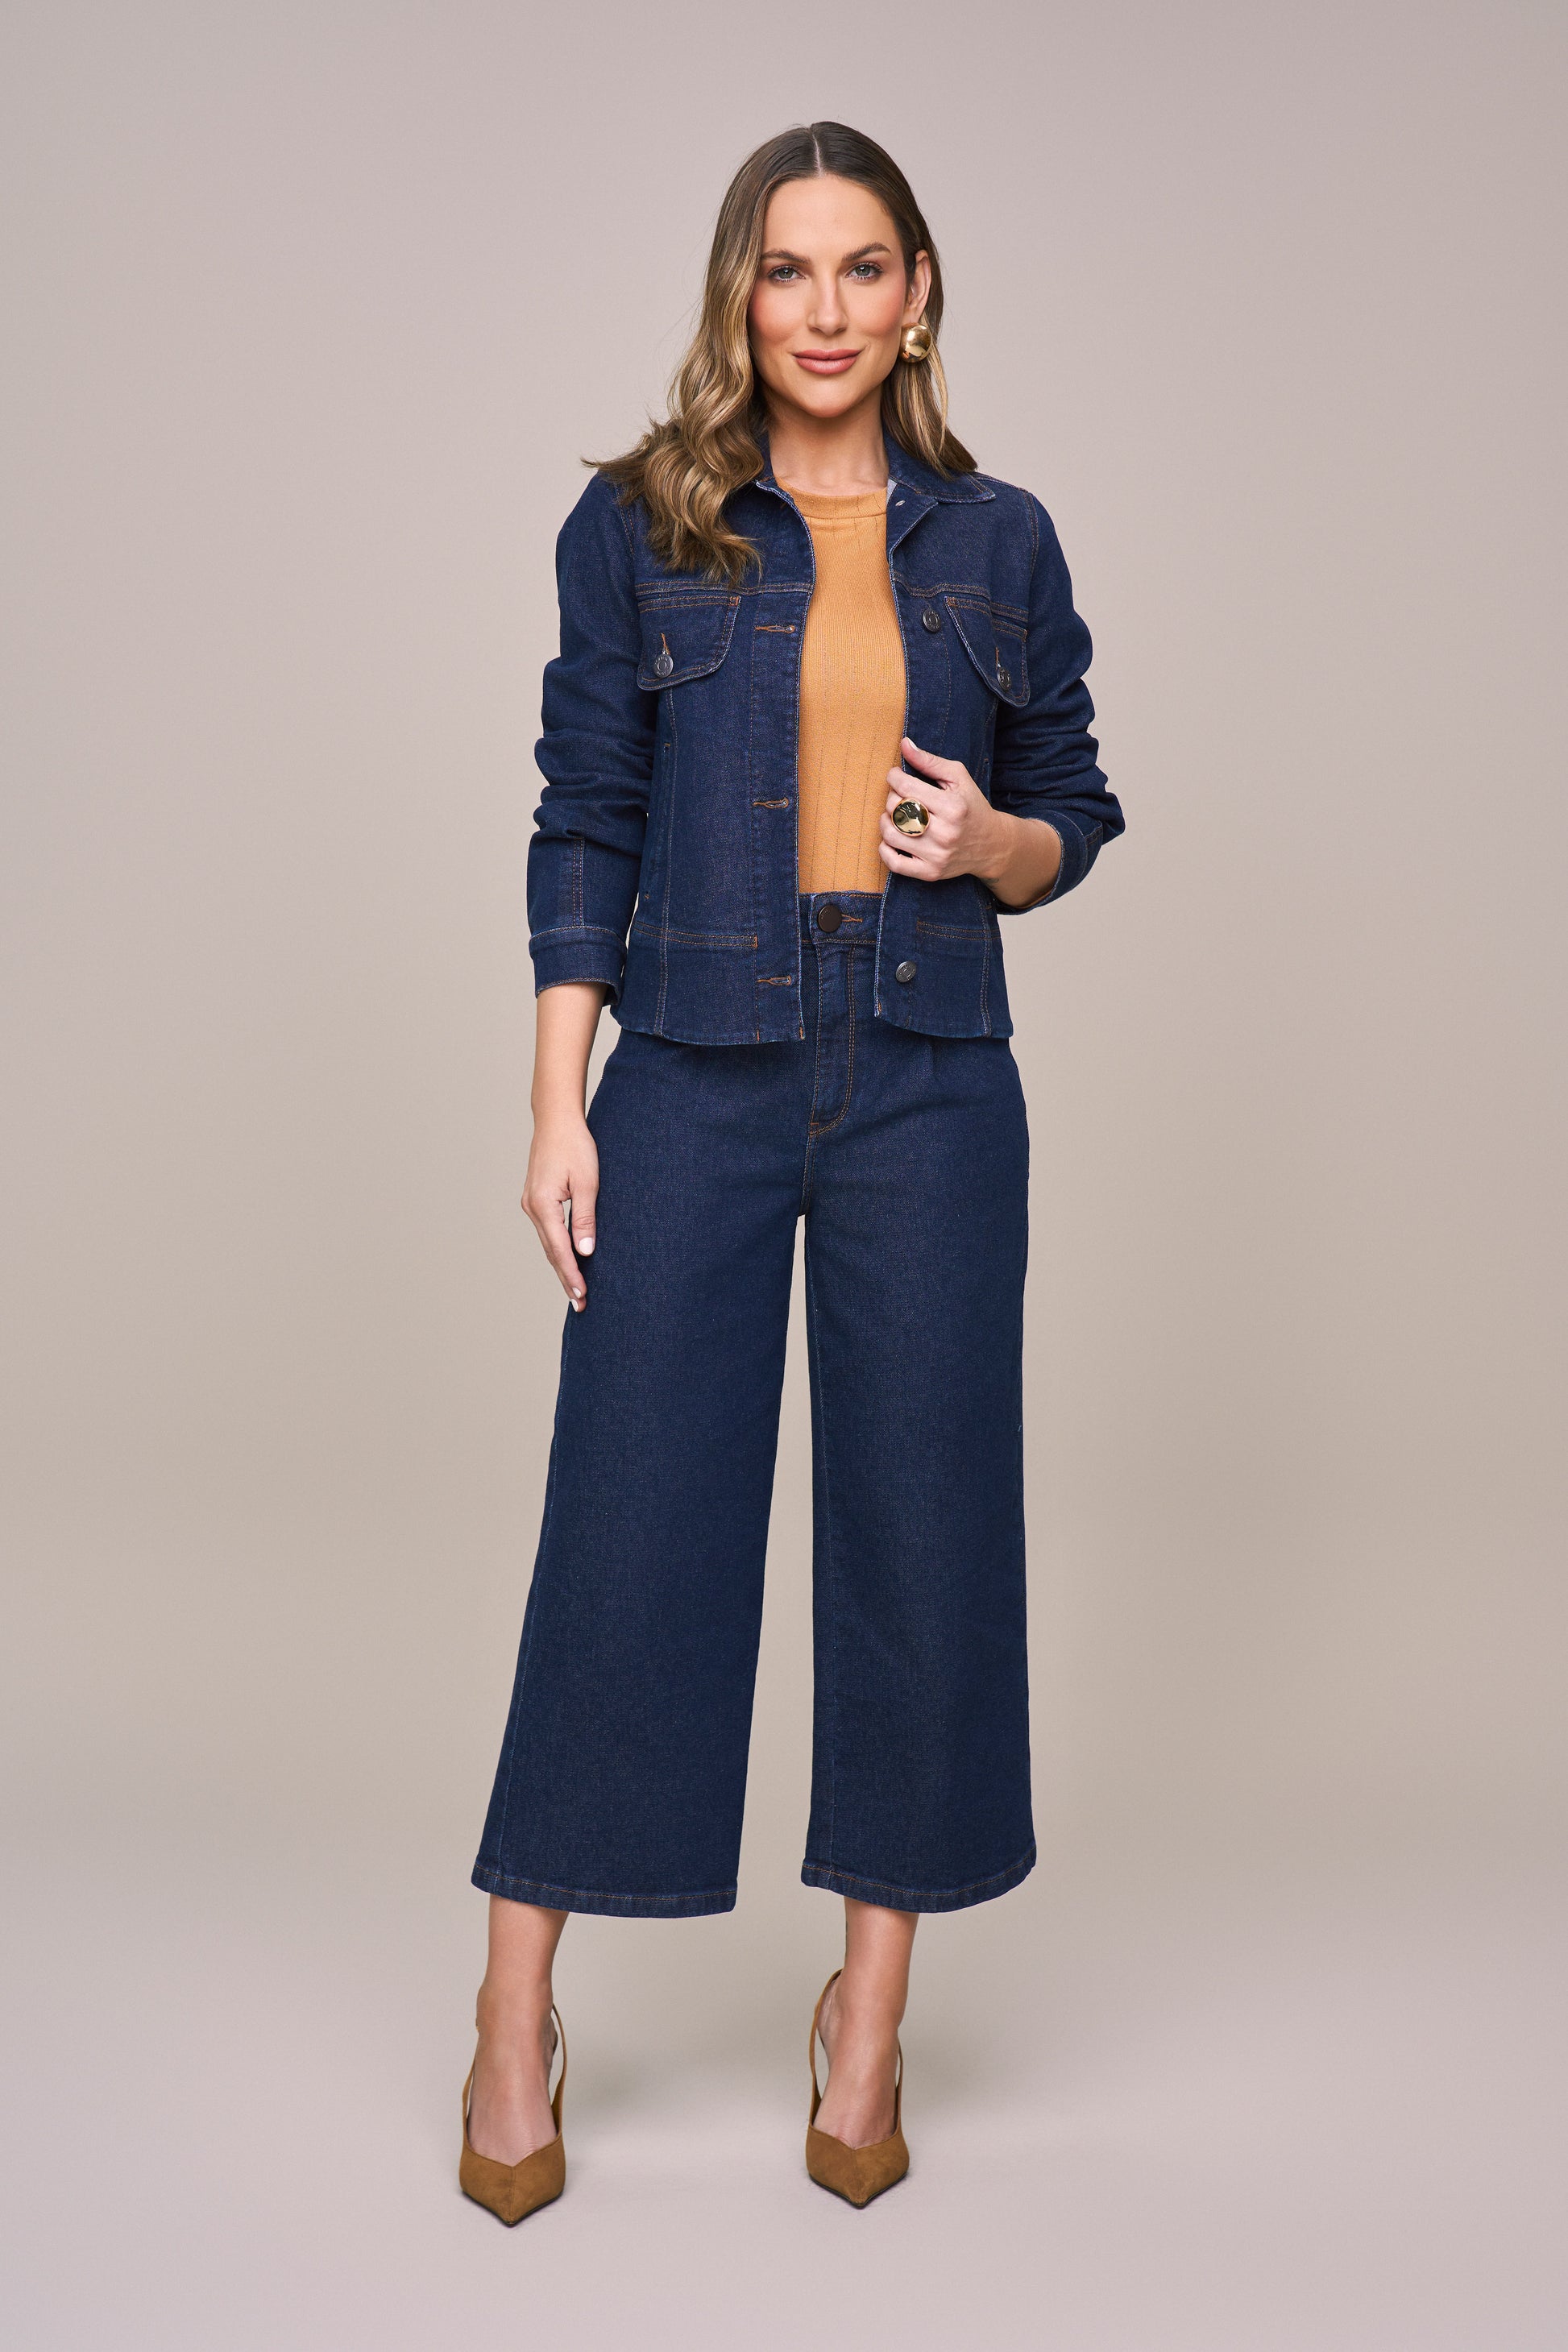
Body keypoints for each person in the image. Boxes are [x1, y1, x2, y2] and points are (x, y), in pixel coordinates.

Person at [458, 120, 1125, 2222]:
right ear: (736, 298)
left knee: (923, 1531)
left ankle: (867, 2020)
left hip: (929, 1070)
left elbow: (1072, 804)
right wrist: (559, 1102)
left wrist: (990, 842)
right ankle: (512, 2013)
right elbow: (585, 811)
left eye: (862, 269)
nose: (822, 310)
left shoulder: (1000, 539)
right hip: (699, 1063)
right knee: (630, 1524)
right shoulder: (639, 525)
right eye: (784, 269)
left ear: (917, 297)